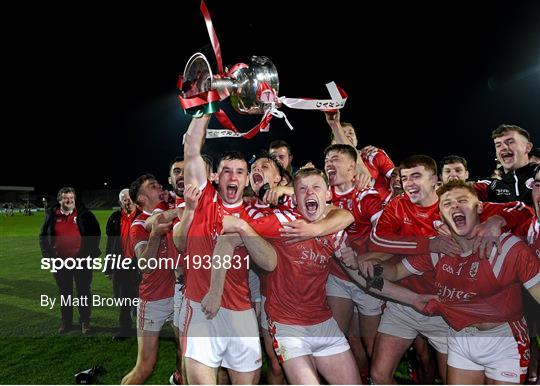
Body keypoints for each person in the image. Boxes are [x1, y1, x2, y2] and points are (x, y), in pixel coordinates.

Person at [362, 180, 540, 384]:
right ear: (441, 215)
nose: (454, 206)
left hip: (504, 340)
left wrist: (498, 219)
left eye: (462, 200)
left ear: (480, 207)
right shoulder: (439, 250)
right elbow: (394, 272)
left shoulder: (508, 248)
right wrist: (371, 266)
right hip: (460, 336)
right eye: (446, 204)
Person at [178, 115, 276, 384]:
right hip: (200, 307)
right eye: (226, 171)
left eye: (240, 172)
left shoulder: (255, 215)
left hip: (239, 310)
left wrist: (244, 229)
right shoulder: (203, 199)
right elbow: (191, 148)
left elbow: (270, 263)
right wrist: (204, 107)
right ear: (214, 176)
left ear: (246, 180)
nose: (233, 177)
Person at [323, 143, 387, 381]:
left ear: (353, 167)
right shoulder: (322, 194)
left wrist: (366, 257)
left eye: (336, 158)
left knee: (372, 346)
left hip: (368, 277)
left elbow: (387, 232)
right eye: (327, 158)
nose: (329, 162)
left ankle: (376, 377)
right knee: (341, 339)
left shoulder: (366, 195)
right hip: (337, 277)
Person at [121, 174, 176, 384]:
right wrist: (154, 236)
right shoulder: (138, 225)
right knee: (145, 367)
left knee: (187, 354)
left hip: (180, 295)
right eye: (153, 186)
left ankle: (179, 378)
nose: (159, 186)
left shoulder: (168, 208)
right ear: (142, 198)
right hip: (154, 299)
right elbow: (144, 265)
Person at [39, 187, 101, 334]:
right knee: (65, 293)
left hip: (81, 261)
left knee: (83, 292)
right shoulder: (52, 215)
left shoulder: (84, 215)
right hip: (59, 262)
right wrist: (48, 257)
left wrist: (90, 254)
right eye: (66, 198)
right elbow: (43, 237)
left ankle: (85, 321)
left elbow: (96, 233)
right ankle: (66, 322)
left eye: (72, 198)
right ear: (60, 200)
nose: (70, 201)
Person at [105, 188, 141, 340]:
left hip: (139, 264)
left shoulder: (143, 215)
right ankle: (125, 330)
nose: (128, 201)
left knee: (142, 299)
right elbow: (110, 243)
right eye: (124, 199)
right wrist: (108, 266)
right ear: (120, 202)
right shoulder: (114, 218)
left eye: (129, 198)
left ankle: (145, 331)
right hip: (120, 265)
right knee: (123, 299)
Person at [476, 124, 536, 205]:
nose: (503, 147)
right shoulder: (489, 185)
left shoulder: (537, 174)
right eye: (498, 145)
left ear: (528, 147)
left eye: (510, 142)